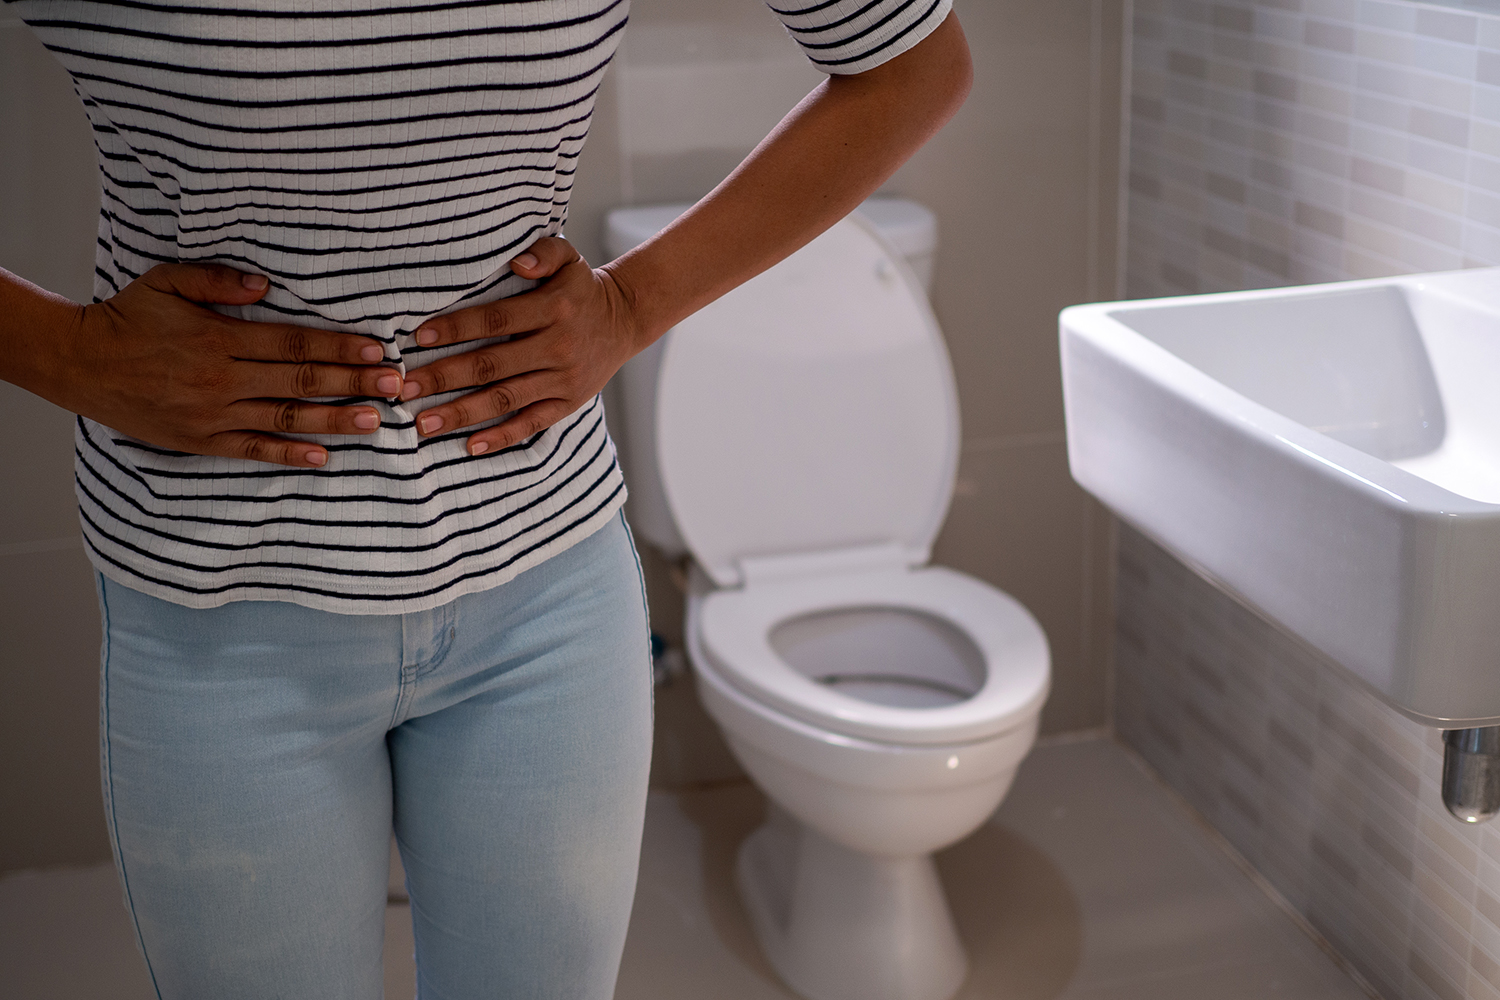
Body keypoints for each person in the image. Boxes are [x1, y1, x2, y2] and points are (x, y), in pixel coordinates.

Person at [0, 1, 972, 996]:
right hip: (225, 618)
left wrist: (635, 304)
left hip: (546, 600)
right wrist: (67, 355)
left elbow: (912, 68)